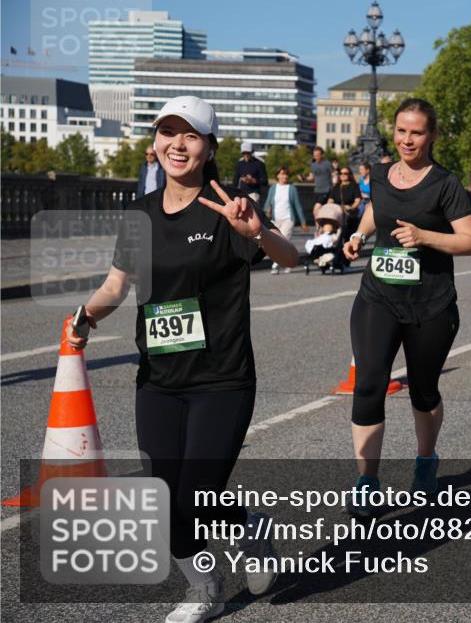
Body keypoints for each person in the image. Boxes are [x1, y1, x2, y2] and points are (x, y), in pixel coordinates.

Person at [66, 96, 299, 622]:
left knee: (195, 496)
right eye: (168, 132)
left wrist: (256, 231)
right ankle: (207, 585)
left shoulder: (228, 206)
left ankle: (242, 535)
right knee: (162, 504)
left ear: (210, 147)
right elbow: (116, 285)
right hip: (159, 378)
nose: (178, 143)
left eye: (191, 135)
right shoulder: (140, 215)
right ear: (154, 144)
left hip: (222, 378)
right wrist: (87, 315)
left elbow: (293, 255)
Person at [342, 98, 471, 514]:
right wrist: (359, 236)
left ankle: (425, 462)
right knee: (368, 384)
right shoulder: (381, 173)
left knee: (423, 392)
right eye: (401, 131)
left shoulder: (445, 184)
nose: (407, 139)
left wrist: (425, 237)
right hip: (378, 296)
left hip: (430, 304)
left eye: (416, 132)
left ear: (432, 135)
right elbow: (375, 210)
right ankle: (367, 481)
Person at [263, 165, 310, 273]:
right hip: (275, 219)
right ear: (278, 175)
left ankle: (276, 265)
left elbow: (298, 206)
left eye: (286, 174)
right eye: (282, 174)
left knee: (284, 240)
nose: (285, 176)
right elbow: (267, 203)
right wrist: (264, 217)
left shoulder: (292, 188)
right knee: (276, 244)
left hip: (288, 219)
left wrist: (303, 222)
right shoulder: (273, 188)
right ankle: (288, 261)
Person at [305, 203, 344, 274]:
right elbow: (318, 238)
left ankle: (322, 259)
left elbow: (334, 239)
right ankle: (319, 259)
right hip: (319, 243)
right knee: (313, 243)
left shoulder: (333, 234)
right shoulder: (322, 233)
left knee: (327, 247)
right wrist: (318, 234)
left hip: (328, 244)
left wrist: (334, 239)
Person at [332, 165, 362, 239]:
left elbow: (357, 200)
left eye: (345, 173)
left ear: (349, 175)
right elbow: (330, 199)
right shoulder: (336, 186)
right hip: (337, 212)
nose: (343, 175)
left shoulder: (354, 186)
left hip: (349, 212)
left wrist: (351, 207)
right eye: (341, 173)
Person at [307, 146, 334, 220]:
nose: (316, 157)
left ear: (322, 155)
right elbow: (312, 177)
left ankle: (319, 230)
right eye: (314, 155)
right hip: (317, 190)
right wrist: (304, 179)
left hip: (326, 190)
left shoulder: (327, 163)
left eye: (317, 155)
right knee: (320, 212)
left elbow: (334, 175)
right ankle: (318, 229)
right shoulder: (313, 165)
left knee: (316, 209)